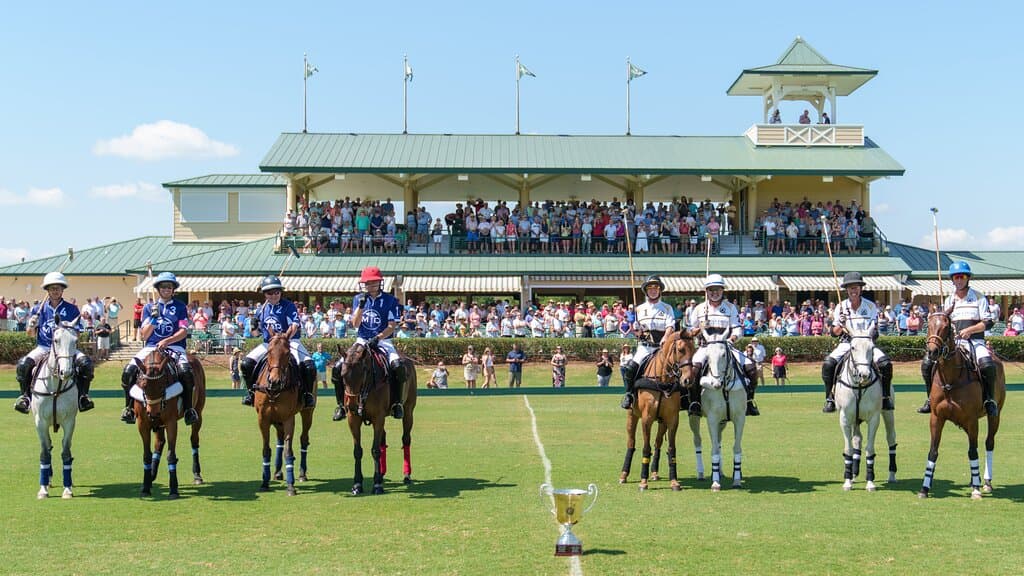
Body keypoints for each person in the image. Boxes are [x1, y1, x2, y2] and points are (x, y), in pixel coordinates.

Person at [918, 261, 999, 416]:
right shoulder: (949, 300)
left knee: (987, 364)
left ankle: (989, 400)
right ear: (952, 280)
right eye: (956, 277)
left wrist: (970, 330)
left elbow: (988, 322)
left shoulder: (979, 297)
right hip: (953, 344)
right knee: (927, 363)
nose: (959, 280)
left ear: (968, 278)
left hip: (975, 342)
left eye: (962, 276)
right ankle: (930, 399)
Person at [119, 272, 196, 425]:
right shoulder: (149, 308)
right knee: (128, 371)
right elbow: (144, 335)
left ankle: (188, 409)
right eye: (163, 286)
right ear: (158, 289)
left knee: (186, 372)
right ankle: (129, 408)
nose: (166, 289)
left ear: (173, 289)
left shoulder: (180, 307)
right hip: (151, 347)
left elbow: (183, 331)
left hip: (174, 347)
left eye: (169, 287)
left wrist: (168, 340)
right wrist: (153, 320)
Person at [13, 272, 95, 415]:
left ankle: (83, 397)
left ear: (62, 290)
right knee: (23, 365)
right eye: (52, 288)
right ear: (47, 290)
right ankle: (25, 397)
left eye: (58, 288)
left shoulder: (72, 309)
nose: (55, 291)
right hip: (44, 347)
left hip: (65, 349)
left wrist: (66, 332)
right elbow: (30, 334)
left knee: (86, 365)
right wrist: (31, 325)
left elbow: (77, 334)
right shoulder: (38, 309)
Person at [333, 266, 405, 420]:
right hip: (361, 340)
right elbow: (355, 324)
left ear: (380, 283)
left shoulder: (391, 300)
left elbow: (392, 326)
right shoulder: (358, 299)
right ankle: (341, 406)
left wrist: (378, 338)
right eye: (367, 283)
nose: (370, 285)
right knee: (338, 367)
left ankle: (397, 403)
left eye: (373, 282)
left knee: (398, 366)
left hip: (383, 341)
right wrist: (361, 306)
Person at [820, 271, 894, 413]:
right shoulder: (840, 307)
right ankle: (830, 398)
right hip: (847, 344)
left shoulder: (870, 306)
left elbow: (875, 331)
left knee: (885, 364)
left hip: (866, 345)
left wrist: (866, 338)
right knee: (828, 364)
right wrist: (841, 324)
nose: (853, 290)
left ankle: (885, 397)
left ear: (860, 289)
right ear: (846, 290)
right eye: (850, 288)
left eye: (856, 287)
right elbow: (834, 333)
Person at [240, 275, 317, 410]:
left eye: (277, 292)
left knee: (308, 366)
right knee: (246, 364)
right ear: (265, 294)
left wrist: (284, 339)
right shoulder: (261, 310)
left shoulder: (288, 306)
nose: (274, 295)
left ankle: (307, 395)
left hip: (290, 341)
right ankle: (251, 392)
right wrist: (253, 326)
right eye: (270, 293)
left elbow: (294, 325)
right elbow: (256, 334)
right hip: (268, 343)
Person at [687, 274, 760, 416]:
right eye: (711, 290)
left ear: (722, 290)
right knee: (693, 370)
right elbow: (690, 330)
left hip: (726, 347)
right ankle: (695, 402)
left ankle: (749, 401)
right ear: (706, 291)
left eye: (718, 289)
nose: (714, 293)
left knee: (750, 367)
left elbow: (737, 328)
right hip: (705, 348)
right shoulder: (699, 309)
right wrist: (699, 328)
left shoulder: (730, 308)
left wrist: (732, 339)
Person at [620, 276, 676, 409]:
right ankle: (629, 394)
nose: (653, 290)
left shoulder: (667, 308)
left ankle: (684, 397)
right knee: (630, 368)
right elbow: (638, 333)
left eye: (656, 288)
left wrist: (665, 337)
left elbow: (670, 326)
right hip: (645, 347)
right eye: (650, 288)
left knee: (680, 367)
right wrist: (636, 329)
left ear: (660, 290)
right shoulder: (639, 309)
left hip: (662, 347)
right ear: (646, 291)